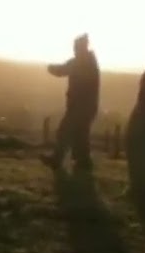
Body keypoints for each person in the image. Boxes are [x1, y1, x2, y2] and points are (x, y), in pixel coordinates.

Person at [41, 33, 101, 172]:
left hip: (79, 107)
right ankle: (83, 163)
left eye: (75, 47)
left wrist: (50, 67)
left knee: (65, 131)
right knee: (80, 135)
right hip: (87, 107)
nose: (74, 50)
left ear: (81, 47)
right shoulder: (88, 61)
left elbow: (62, 70)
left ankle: (58, 160)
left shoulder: (81, 63)